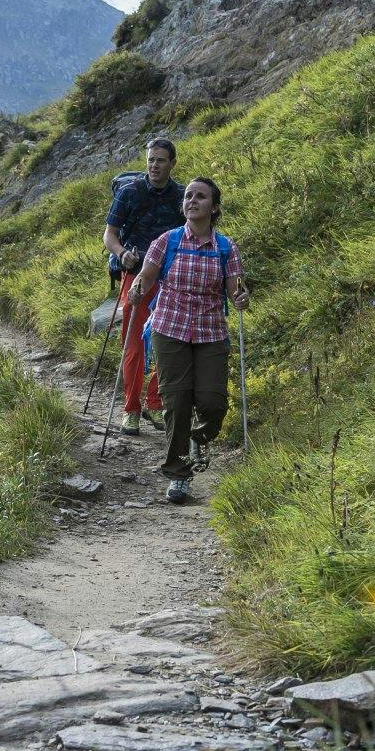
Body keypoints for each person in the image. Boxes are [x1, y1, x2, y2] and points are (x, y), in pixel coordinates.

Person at [126, 177, 247, 504]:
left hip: (210, 331)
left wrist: (240, 298)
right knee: (176, 402)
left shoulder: (226, 248)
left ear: (214, 207)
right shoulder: (166, 242)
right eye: (189, 196)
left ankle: (198, 438)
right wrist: (137, 288)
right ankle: (178, 475)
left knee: (212, 402)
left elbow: (236, 288)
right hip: (170, 327)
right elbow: (147, 276)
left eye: (201, 197)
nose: (192, 200)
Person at [102, 138, 185, 433]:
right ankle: (131, 409)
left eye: (161, 160)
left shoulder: (182, 196)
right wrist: (122, 253)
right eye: (151, 159)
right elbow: (109, 235)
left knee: (166, 341)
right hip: (136, 274)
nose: (154, 165)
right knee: (134, 342)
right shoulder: (129, 193)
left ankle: (155, 402)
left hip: (170, 279)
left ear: (172, 164)